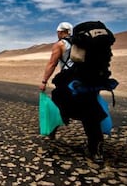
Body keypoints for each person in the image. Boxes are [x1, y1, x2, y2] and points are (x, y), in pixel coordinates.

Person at [40, 22, 106, 163]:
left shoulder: (60, 45)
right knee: (91, 112)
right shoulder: (84, 43)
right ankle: (96, 150)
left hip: (70, 82)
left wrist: (44, 81)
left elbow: (52, 64)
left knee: (58, 101)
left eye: (57, 32)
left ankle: (55, 126)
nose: (57, 34)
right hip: (89, 82)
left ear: (61, 32)